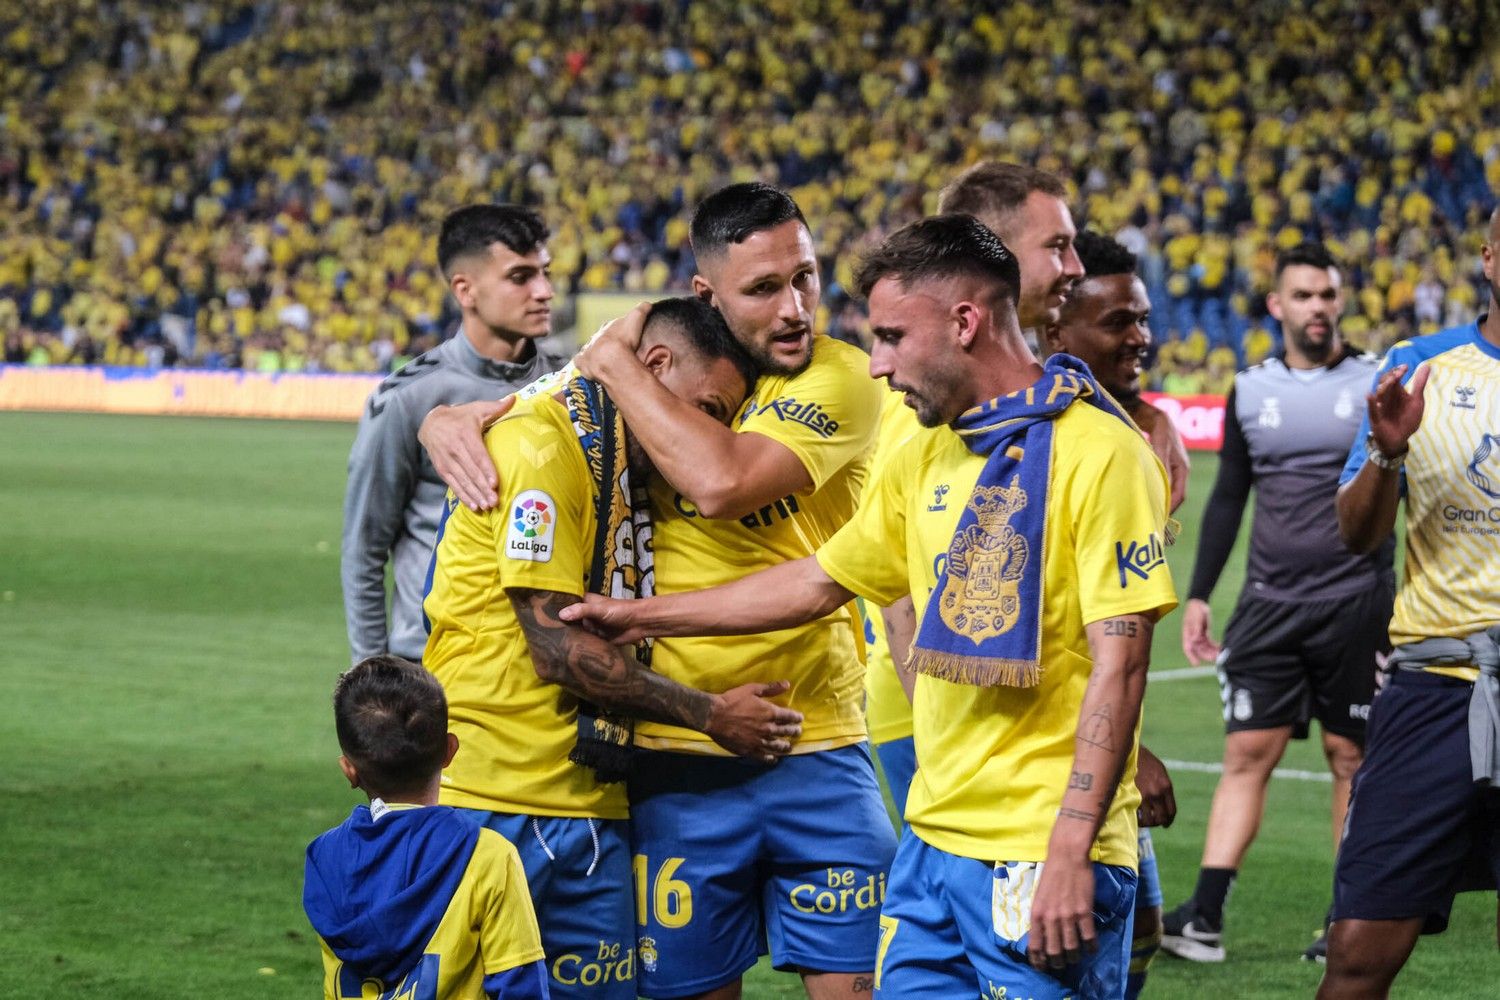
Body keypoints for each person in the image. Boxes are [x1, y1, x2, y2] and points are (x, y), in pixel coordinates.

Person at [564, 215, 1179, 999]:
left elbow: (1121, 666)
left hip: (1042, 849)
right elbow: (820, 580)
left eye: (891, 336)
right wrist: (640, 618)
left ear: (965, 322)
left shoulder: (1103, 454)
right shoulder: (925, 449)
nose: (878, 365)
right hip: (933, 843)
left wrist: (1070, 851)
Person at [424, 183, 895, 1000]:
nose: (794, 309)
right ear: (708, 295)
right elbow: (544, 407)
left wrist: (610, 364)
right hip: (668, 761)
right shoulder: (643, 369)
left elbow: (719, 480)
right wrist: (449, 417)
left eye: (806, 278)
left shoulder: (839, 377)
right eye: (762, 289)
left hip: (814, 737)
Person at [422, 296, 803, 1000]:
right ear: (652, 367)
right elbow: (556, 649)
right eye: (707, 408)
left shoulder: (624, 464)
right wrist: (710, 714)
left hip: (591, 801)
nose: (701, 434)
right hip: (494, 797)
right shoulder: (542, 445)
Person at [1163, 243, 1393, 964]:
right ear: (1278, 306)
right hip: (1267, 605)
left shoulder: (1377, 381)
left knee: (1349, 755)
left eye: (1328, 295)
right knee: (1247, 754)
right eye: (1303, 296)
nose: (1318, 308)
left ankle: (1346, 920)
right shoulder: (1248, 388)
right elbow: (1230, 495)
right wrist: (1199, 593)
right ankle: (1203, 915)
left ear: (1340, 300)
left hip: (1356, 601)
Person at [1317, 208, 1500, 998]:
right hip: (1437, 690)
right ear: (1489, 256)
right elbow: (1357, 536)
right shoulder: (1423, 366)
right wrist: (1388, 452)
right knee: (1357, 952)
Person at [1040, 228, 1184, 998]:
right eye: (1118, 322)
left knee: (1140, 929)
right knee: (1071, 937)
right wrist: (1134, 751)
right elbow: (1053, 631)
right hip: (1024, 743)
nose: (1143, 338)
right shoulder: (1049, 444)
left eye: (1144, 318)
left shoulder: (1139, 433)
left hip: (1092, 725)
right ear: (1057, 326)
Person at [341, 204, 568, 665]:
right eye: (521, 277)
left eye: (545, 273)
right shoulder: (407, 397)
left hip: (541, 668)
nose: (545, 292)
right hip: (432, 664)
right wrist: (370, 673)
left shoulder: (570, 386)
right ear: (465, 290)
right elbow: (365, 549)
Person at [303, 654, 551, 1000]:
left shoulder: (324, 857)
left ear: (350, 771)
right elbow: (519, 985)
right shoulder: (489, 857)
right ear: (449, 751)